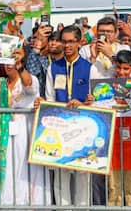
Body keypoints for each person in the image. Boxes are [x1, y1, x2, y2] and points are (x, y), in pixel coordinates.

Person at [0, 46, 50, 206]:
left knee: (27, 175)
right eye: (6, 61)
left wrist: (20, 67)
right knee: (9, 175)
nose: (9, 64)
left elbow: (30, 87)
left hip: (27, 137)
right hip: (5, 139)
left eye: (13, 60)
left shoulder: (30, 79)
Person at [41, 25, 99, 207]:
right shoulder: (53, 68)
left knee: (83, 177)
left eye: (71, 42)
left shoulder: (91, 69)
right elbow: (50, 98)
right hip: (60, 130)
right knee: (60, 178)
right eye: (63, 41)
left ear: (80, 42)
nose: (66, 45)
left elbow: (96, 102)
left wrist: (83, 104)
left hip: (83, 129)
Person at [107, 50, 131, 207]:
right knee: (113, 185)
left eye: (126, 69)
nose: (122, 72)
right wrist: (92, 100)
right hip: (113, 138)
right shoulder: (105, 86)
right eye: (119, 68)